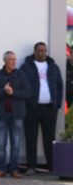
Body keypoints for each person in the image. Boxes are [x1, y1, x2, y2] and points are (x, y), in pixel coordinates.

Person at [19, 42, 63, 174]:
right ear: (35, 51)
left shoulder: (53, 66)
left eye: (45, 51)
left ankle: (51, 166)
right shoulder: (26, 67)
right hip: (32, 108)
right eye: (40, 51)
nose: (43, 53)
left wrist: (58, 103)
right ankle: (31, 166)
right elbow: (21, 84)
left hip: (50, 108)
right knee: (31, 137)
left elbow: (60, 86)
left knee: (49, 137)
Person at [0, 51, 29, 178]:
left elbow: (28, 93)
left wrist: (13, 92)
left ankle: (14, 169)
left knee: (15, 144)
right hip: (1, 115)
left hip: (17, 115)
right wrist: (4, 91)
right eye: (10, 59)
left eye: (15, 59)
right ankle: (1, 169)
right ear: (4, 60)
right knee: (1, 144)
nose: (13, 62)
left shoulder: (21, 75)